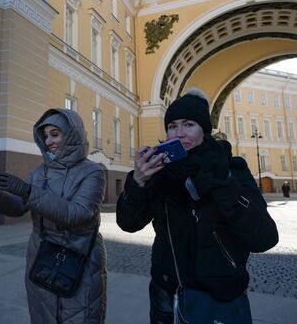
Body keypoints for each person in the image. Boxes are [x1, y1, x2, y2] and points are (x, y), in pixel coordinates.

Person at [116, 88, 279, 324]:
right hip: (166, 294)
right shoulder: (158, 173)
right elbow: (128, 224)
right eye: (172, 126)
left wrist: (222, 186)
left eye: (188, 124)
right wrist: (138, 182)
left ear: (204, 129)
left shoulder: (230, 169)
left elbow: (265, 238)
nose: (180, 133)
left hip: (221, 295)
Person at [0, 108, 107, 324]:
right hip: (40, 258)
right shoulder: (39, 172)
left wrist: (28, 191)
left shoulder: (92, 172)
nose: (49, 141)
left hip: (80, 260)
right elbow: (19, 208)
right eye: (45, 136)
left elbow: (78, 213)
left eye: (55, 134)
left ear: (72, 134)